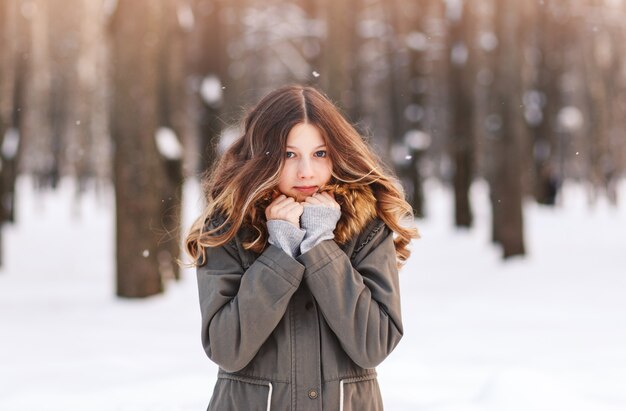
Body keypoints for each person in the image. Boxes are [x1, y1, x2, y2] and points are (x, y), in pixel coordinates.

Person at [185, 85, 418, 411]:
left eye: (319, 153)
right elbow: (227, 348)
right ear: (261, 157)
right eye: (288, 154)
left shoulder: (366, 226)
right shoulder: (228, 229)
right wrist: (280, 252)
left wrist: (319, 244)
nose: (306, 171)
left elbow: (373, 344)